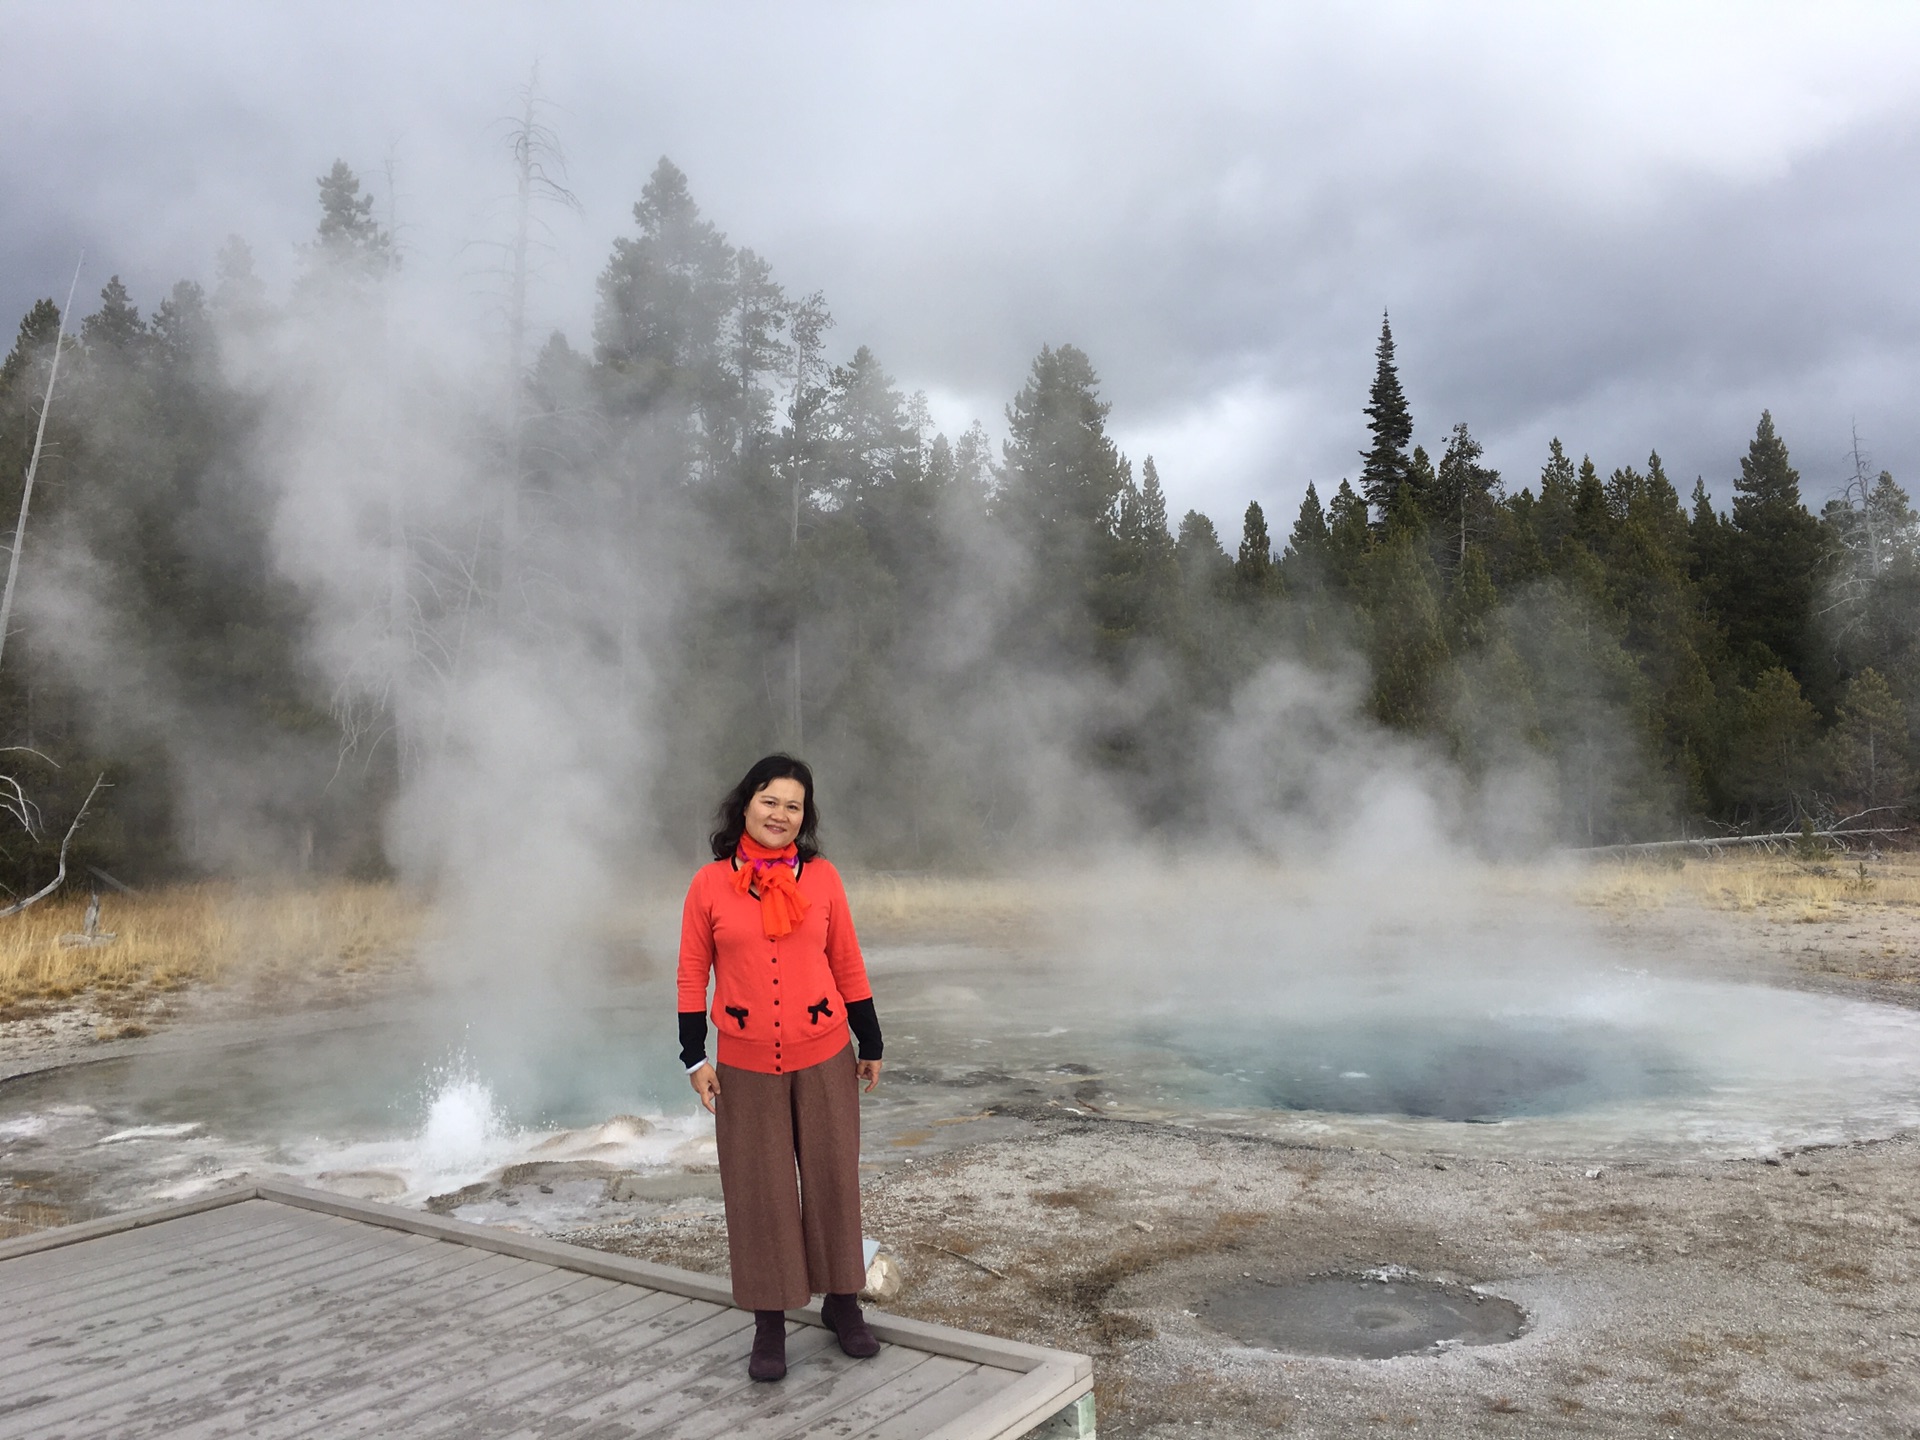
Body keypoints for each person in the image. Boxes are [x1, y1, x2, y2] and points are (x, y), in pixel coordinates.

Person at [677, 753, 886, 1383]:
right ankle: (769, 1324)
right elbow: (693, 974)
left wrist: (869, 1040)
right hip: (743, 1064)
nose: (780, 814)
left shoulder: (822, 879)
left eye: (793, 805)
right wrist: (694, 1056)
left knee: (831, 1179)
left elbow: (846, 961)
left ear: (805, 816)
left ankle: (843, 1304)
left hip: (824, 1052)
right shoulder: (709, 885)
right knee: (758, 1192)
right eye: (770, 801)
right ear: (746, 804)